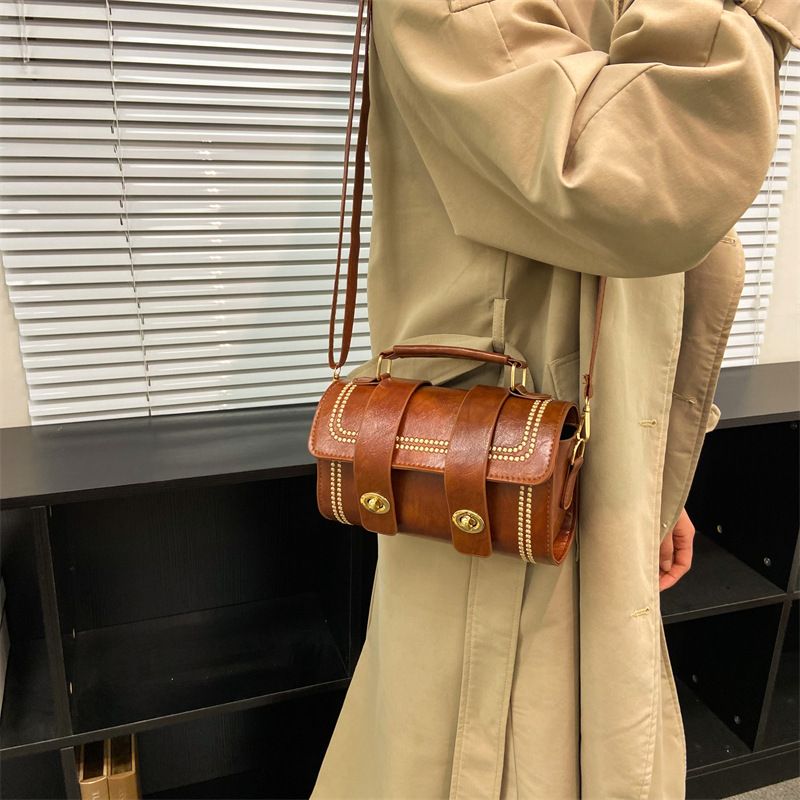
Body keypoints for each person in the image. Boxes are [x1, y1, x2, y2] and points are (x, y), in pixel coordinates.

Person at [311, 1, 798, 798]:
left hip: (570, 483)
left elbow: (628, 263)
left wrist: (647, 480)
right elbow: (640, 177)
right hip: (500, 516)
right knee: (500, 761)